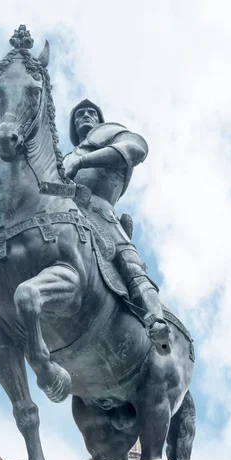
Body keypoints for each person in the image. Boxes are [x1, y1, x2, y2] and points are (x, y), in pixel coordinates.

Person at [63, 99, 170, 355]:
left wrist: (82, 163)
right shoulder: (64, 157)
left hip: (100, 212)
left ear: (99, 120)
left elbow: (136, 149)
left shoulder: (114, 135)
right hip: (64, 213)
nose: (85, 116)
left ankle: (156, 321)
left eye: (91, 112)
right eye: (79, 114)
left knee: (129, 263)